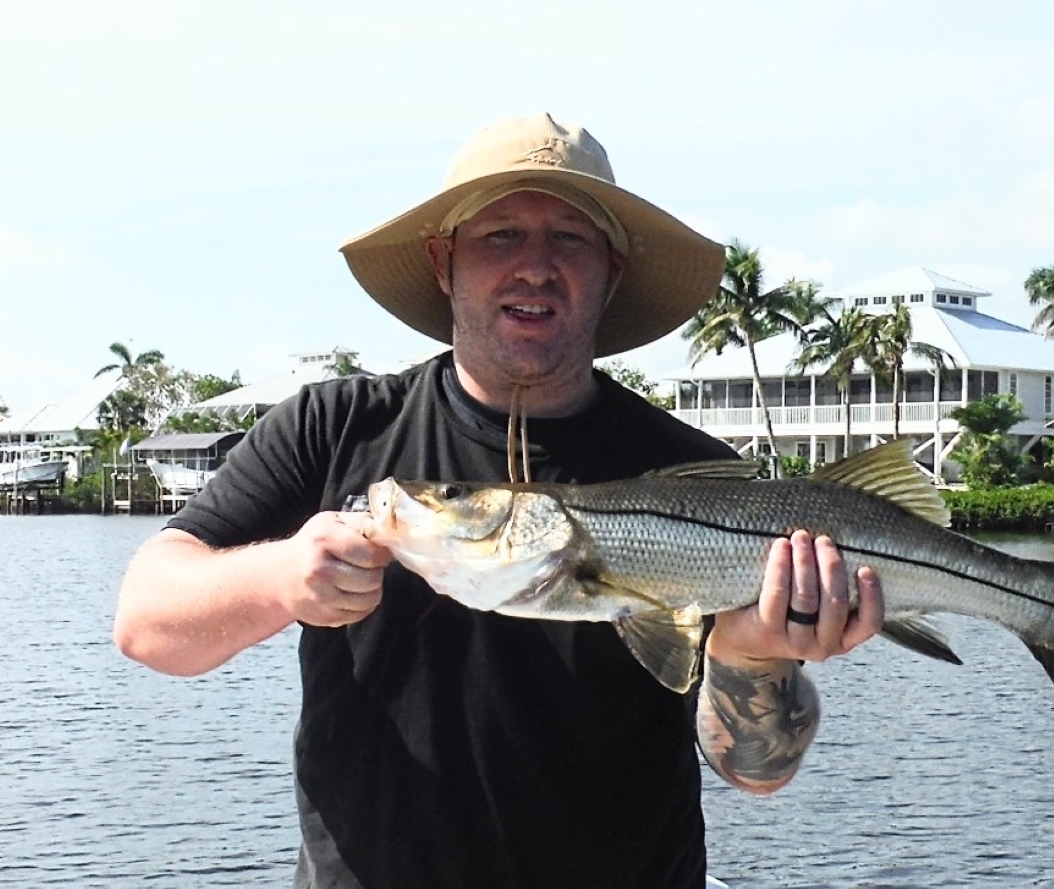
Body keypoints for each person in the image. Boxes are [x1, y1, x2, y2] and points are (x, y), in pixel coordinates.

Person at [112, 113, 885, 889]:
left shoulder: (695, 476)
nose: (536, 267)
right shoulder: (334, 427)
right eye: (502, 235)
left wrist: (753, 652)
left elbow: (757, 772)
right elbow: (146, 623)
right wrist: (281, 578)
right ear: (443, 263)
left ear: (612, 272)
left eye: (571, 239)